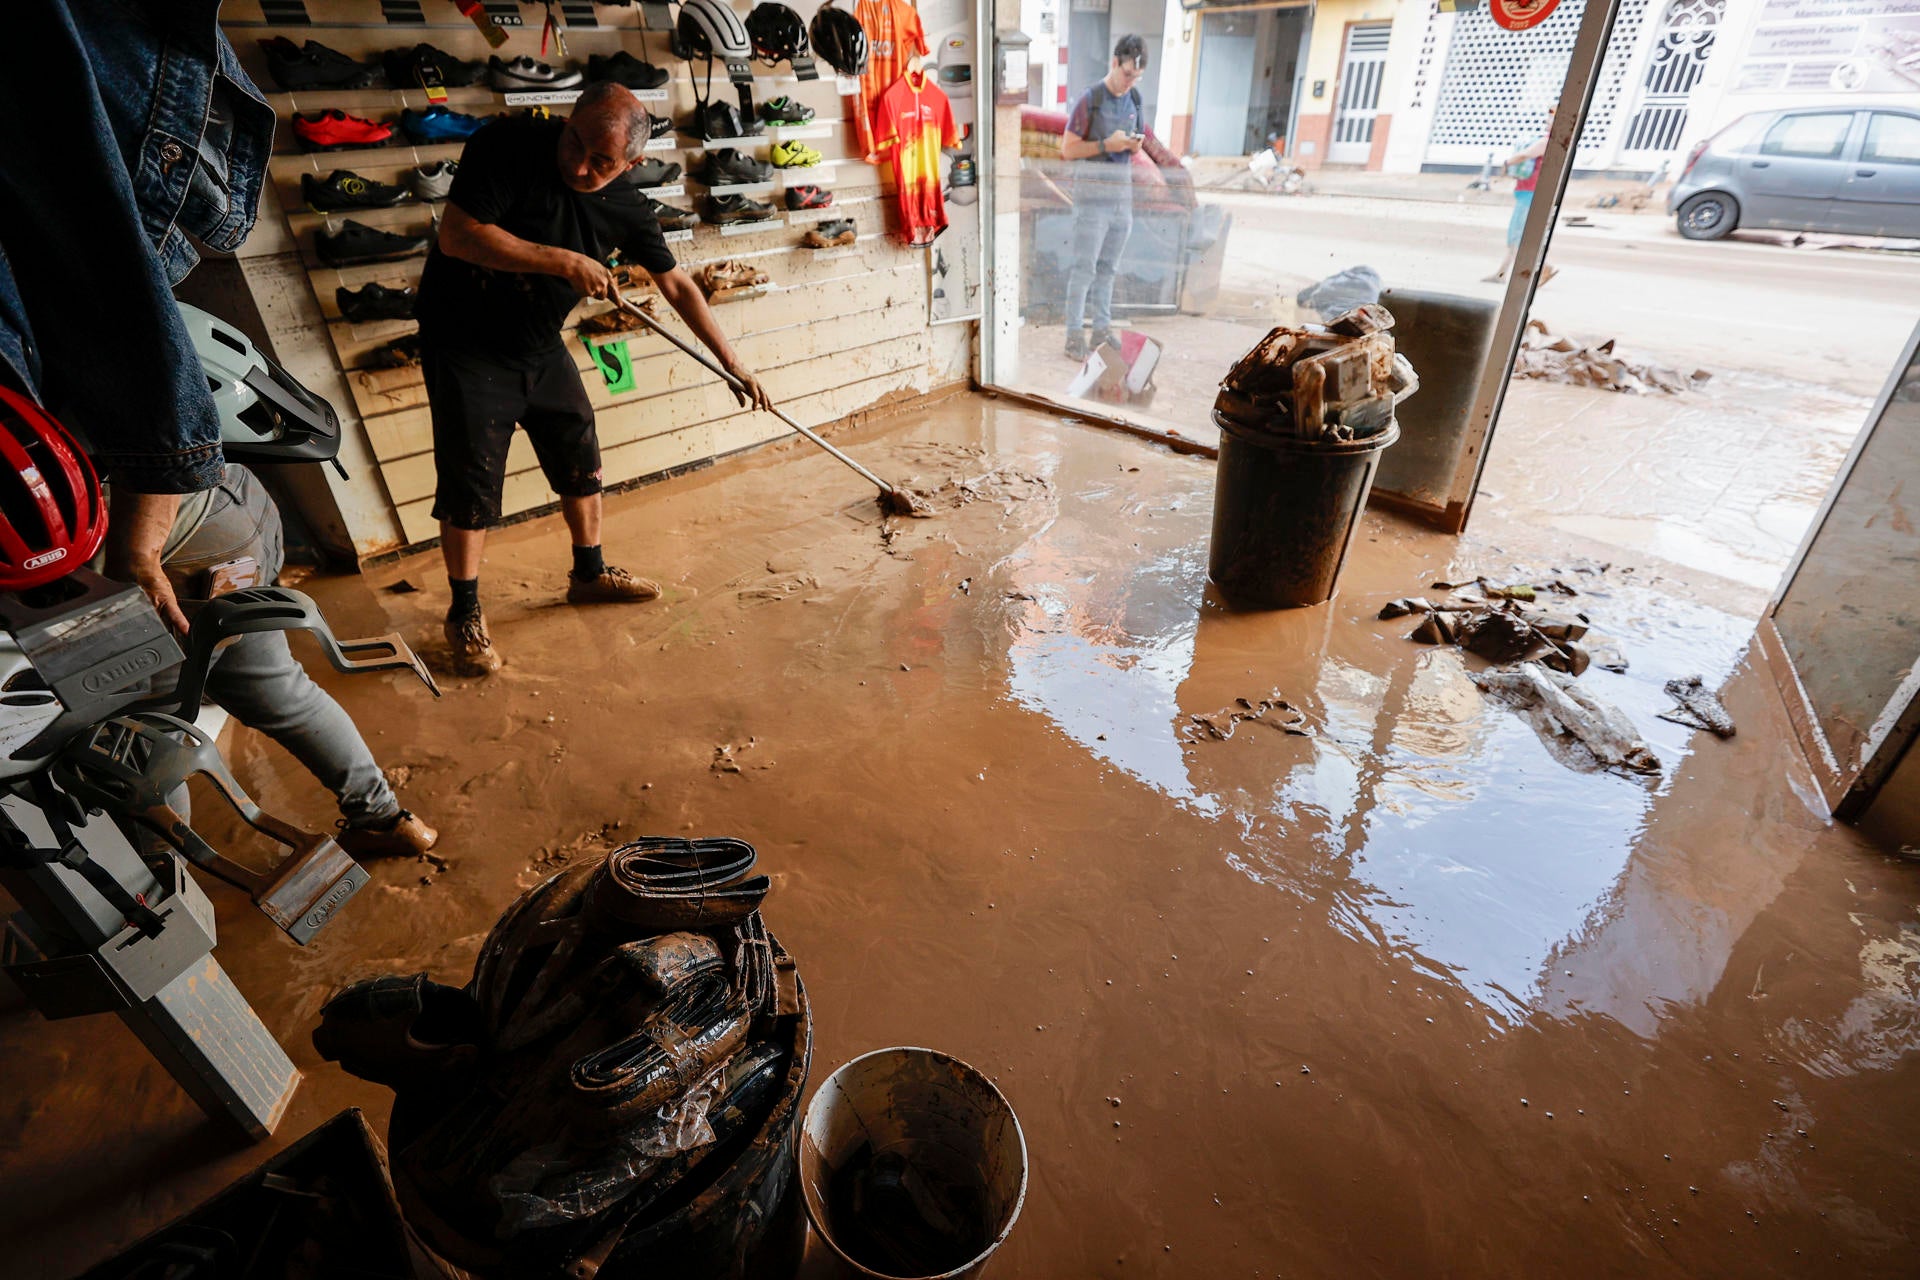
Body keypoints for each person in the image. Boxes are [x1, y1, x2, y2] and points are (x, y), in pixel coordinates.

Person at [0, 1, 435, 859]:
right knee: (260, 689)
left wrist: (133, 556)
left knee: (143, 712)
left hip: (152, 533)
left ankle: (177, 880)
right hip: (197, 514)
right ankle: (388, 819)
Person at [417, 82, 773, 678]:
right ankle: (465, 613)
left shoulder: (627, 206)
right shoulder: (507, 144)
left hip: (537, 342)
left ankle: (588, 574)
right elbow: (458, 236)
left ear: (630, 164)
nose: (579, 166)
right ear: (568, 119)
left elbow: (678, 285)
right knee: (471, 481)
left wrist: (732, 363)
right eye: (574, 143)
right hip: (464, 344)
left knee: (578, 450)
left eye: (601, 163)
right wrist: (563, 260)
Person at [1059, 35, 1149, 361]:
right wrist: (1104, 146)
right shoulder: (1090, 99)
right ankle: (1073, 337)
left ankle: (1100, 328)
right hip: (1091, 200)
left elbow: (1140, 136)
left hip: (1121, 199)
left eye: (1136, 77)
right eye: (1127, 74)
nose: (1129, 83)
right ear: (1114, 63)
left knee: (1109, 269)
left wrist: (1133, 145)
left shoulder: (1135, 98)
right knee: (1084, 269)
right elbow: (1067, 149)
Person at [1485, 109, 1558, 285]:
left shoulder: (1545, 142)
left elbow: (1525, 155)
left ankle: (1543, 267)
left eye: (1551, 118)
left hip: (1529, 195)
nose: (1547, 121)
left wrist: (1507, 163)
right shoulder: (1551, 142)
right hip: (1531, 194)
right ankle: (1501, 274)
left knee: (1516, 238)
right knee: (1518, 237)